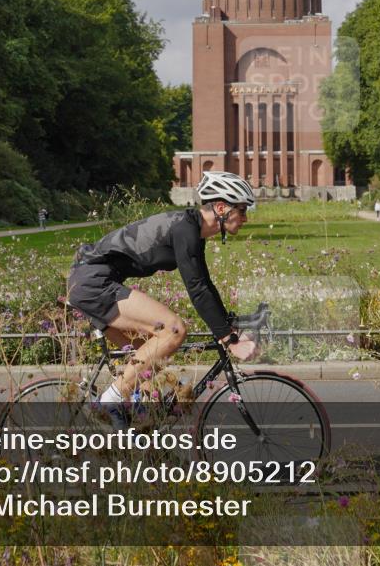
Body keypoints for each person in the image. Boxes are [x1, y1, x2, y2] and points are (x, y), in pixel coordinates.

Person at [65, 171, 258, 427]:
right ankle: (112, 400)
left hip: (92, 281)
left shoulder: (192, 231)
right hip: (92, 281)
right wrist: (228, 338)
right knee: (174, 330)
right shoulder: (185, 229)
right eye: (242, 210)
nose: (245, 218)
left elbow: (205, 284)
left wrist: (228, 326)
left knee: (148, 354)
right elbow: (197, 288)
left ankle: (141, 431)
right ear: (221, 208)